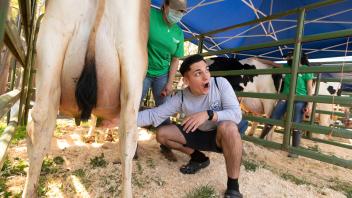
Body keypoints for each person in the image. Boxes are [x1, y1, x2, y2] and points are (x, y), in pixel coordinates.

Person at [138, 54, 244, 198]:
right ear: (186, 80)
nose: (206, 77)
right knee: (162, 134)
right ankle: (199, 158)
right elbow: (154, 114)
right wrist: (124, 119)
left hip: (220, 136)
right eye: (198, 74)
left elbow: (236, 114)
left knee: (230, 127)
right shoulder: (181, 97)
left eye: (206, 70)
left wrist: (209, 114)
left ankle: (233, 186)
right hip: (197, 133)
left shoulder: (220, 84)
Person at [140, 0, 187, 160]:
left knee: (164, 109)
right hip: (142, 71)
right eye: (176, 10)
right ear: (165, 6)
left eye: (182, 12)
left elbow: (175, 59)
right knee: (132, 106)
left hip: (162, 74)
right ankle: (130, 146)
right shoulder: (149, 15)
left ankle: (166, 146)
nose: (178, 14)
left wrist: (169, 83)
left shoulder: (179, 33)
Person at [254, 51, 314, 157]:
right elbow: (272, 63)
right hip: (285, 97)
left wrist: (309, 104)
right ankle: (261, 140)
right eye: (288, 57)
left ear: (298, 57)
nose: (288, 58)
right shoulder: (287, 66)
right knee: (272, 118)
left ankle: (295, 151)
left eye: (290, 56)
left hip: (300, 99)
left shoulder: (306, 69)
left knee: (296, 124)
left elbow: (309, 89)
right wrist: (257, 59)